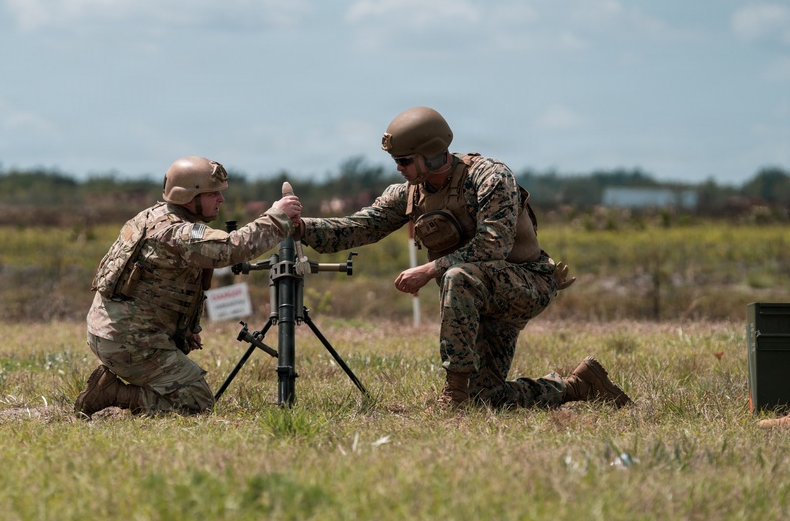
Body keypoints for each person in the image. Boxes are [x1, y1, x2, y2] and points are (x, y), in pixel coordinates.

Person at [295, 106, 631, 410]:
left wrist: (429, 269)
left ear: (429, 153)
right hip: (478, 300)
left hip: (525, 283)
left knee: (458, 276)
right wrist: (297, 228)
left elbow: (492, 246)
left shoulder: (490, 177)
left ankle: (453, 396)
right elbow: (357, 228)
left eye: (405, 160)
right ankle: (578, 386)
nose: (399, 168)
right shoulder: (409, 194)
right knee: (486, 399)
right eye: (397, 161)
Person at [75, 156, 302, 417]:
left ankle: (124, 382)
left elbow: (156, 287)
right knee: (196, 403)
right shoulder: (177, 234)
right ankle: (113, 393)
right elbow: (230, 248)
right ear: (188, 197)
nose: (221, 200)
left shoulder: (151, 217)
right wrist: (277, 217)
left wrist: (183, 328)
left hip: (111, 333)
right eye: (213, 194)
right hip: (128, 343)